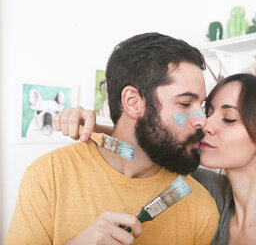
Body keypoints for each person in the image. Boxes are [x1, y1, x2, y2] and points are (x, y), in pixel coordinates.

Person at [57, 73, 256, 244]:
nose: (206, 124)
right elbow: (144, 148)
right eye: (210, 111)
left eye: (229, 119)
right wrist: (91, 127)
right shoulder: (207, 190)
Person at [4, 33, 220, 245]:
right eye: (184, 104)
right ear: (133, 102)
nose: (203, 121)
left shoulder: (201, 207)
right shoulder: (48, 175)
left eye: (201, 106)